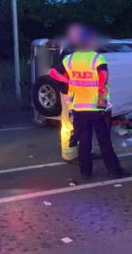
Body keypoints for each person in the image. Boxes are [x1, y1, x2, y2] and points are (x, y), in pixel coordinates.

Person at [52, 30, 127, 179]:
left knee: (84, 142)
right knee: (104, 141)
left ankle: (85, 172)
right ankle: (114, 171)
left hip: (79, 108)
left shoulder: (70, 59)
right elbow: (103, 75)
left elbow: (53, 73)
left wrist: (68, 81)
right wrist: (100, 93)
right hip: (97, 108)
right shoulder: (97, 58)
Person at [48, 23, 84, 162]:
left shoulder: (74, 50)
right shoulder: (70, 52)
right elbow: (53, 72)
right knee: (70, 123)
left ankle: (81, 151)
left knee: (79, 123)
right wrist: (69, 81)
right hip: (69, 93)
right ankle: (69, 154)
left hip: (79, 93)